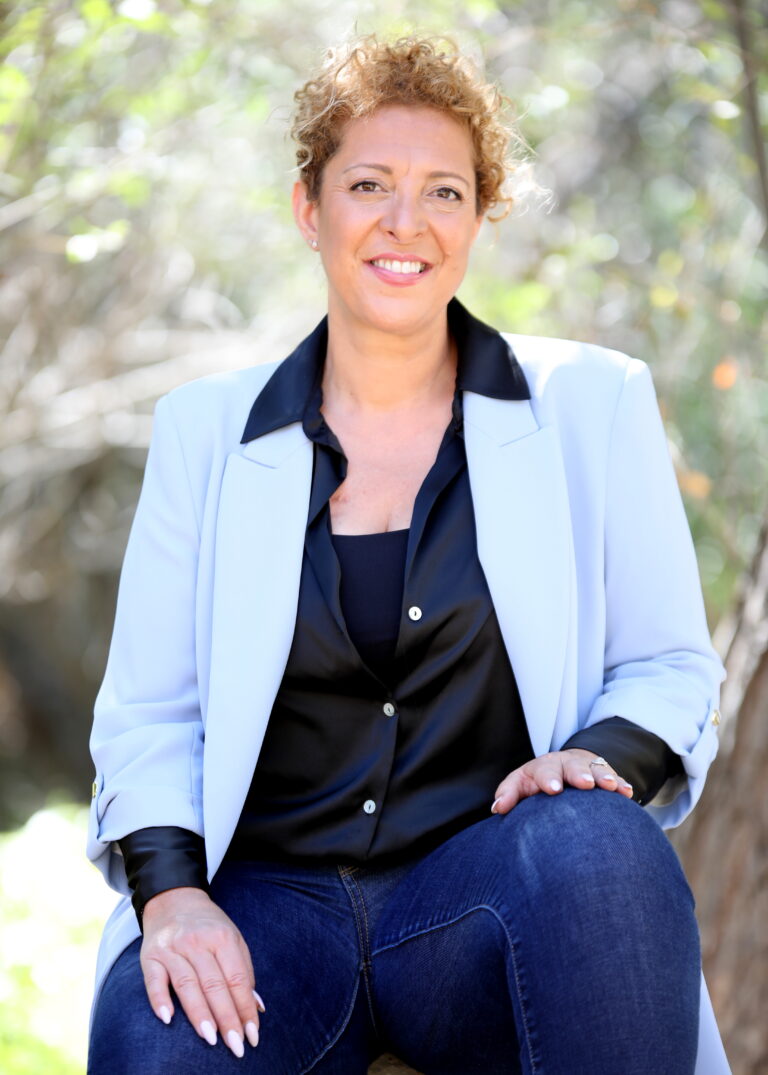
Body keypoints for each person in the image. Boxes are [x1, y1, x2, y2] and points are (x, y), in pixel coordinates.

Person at [86, 35, 730, 1075]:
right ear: (310, 208)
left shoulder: (593, 403)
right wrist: (173, 896)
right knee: (167, 1046)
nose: (405, 222)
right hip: (264, 910)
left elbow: (671, 664)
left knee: (599, 841)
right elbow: (151, 714)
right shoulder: (203, 431)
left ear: (480, 217)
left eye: (444, 191)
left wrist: (602, 754)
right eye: (369, 185)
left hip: (482, 897)